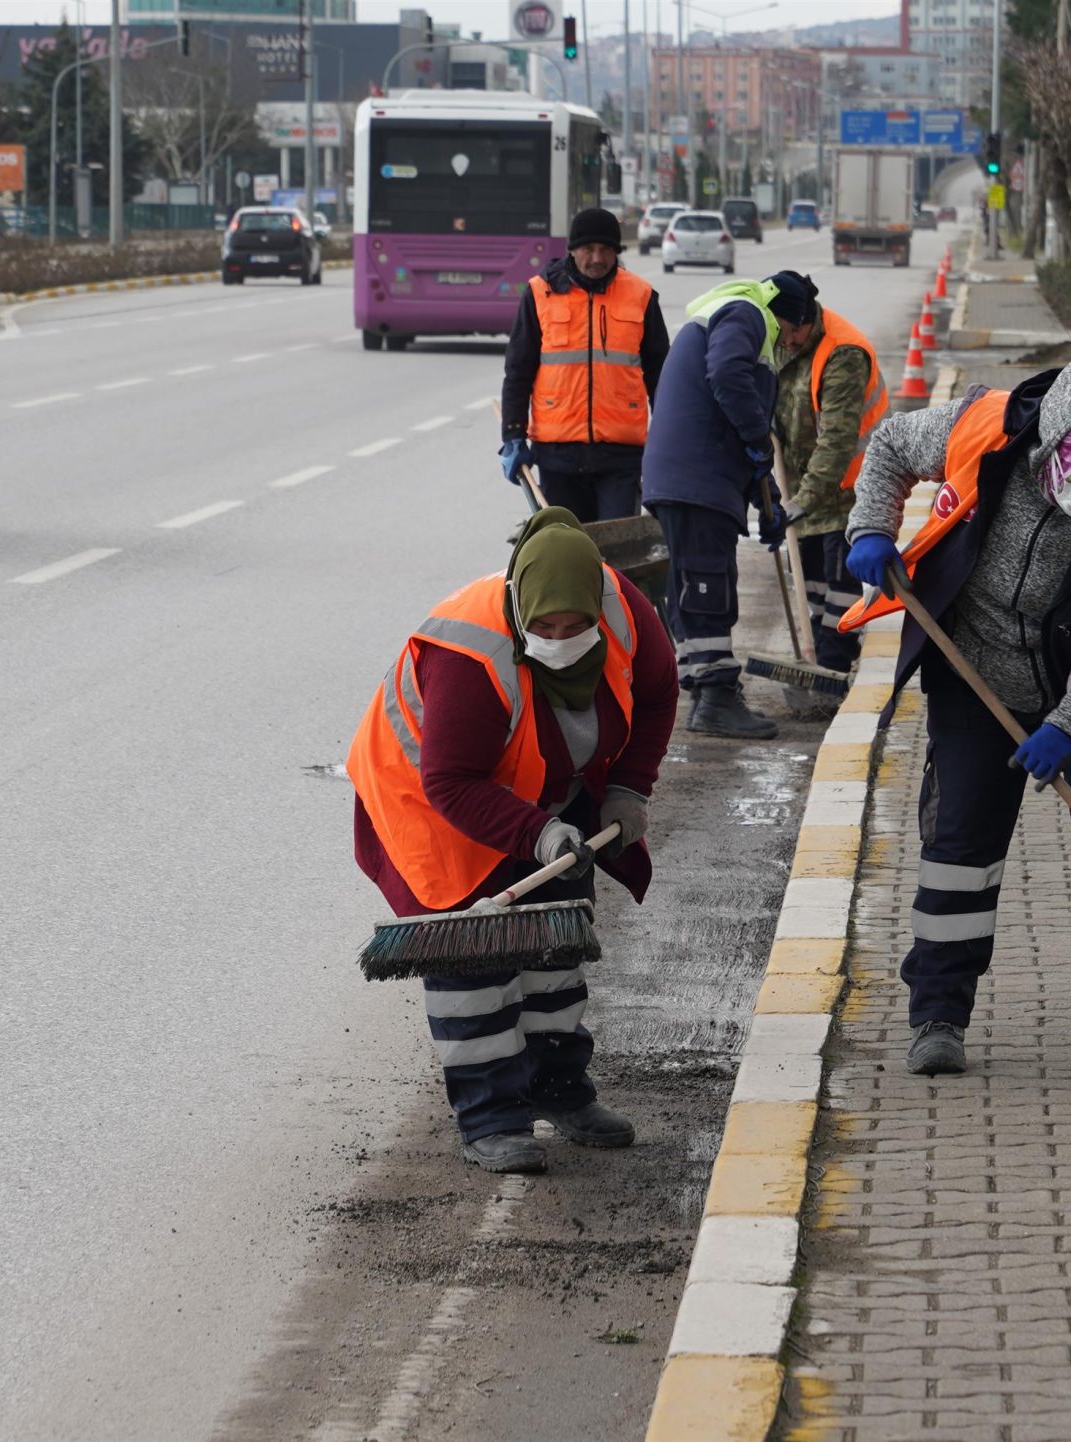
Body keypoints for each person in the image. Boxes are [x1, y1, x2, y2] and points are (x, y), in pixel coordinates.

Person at [837, 354, 1071, 1089]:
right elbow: (889, 446)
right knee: (959, 852)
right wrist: (869, 527)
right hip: (975, 673)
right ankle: (937, 1017)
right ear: (1051, 456)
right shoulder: (981, 433)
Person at [349, 508, 681, 1173]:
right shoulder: (470, 655)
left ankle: (561, 1091)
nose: (560, 638)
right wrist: (539, 833)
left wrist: (629, 790)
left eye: (574, 627)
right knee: (474, 971)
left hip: (545, 788)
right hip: (434, 802)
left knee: (553, 947)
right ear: (521, 609)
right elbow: (450, 781)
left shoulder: (624, 610)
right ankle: (491, 1117)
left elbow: (657, 692)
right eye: (545, 629)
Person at [640, 270, 824, 740]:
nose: (794, 346)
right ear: (791, 320)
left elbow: (733, 426)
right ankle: (714, 701)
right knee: (707, 586)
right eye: (798, 335)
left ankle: (708, 689)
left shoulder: (739, 317)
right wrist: (758, 437)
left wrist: (768, 504)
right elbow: (726, 380)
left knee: (701, 583)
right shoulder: (747, 313)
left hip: (695, 475)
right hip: (695, 477)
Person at [498, 207, 671, 522]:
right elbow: (518, 370)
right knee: (568, 555)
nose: (596, 258)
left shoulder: (641, 296)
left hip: (620, 454)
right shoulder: (541, 293)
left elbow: (661, 374)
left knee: (616, 553)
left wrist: (668, 435)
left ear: (616, 252)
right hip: (557, 454)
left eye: (605, 250)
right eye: (588, 249)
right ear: (572, 250)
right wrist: (513, 433)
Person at [771, 303, 888, 674]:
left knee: (841, 586)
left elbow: (837, 441)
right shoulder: (778, 342)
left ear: (809, 320)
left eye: (793, 332)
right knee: (812, 585)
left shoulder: (844, 353)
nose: (787, 341)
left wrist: (802, 501)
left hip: (846, 489)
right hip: (802, 490)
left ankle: (833, 666)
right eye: (781, 332)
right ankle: (817, 664)